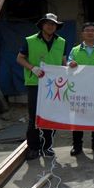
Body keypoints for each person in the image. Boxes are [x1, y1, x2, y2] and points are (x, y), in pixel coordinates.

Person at [16, 13, 67, 160]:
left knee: (51, 116)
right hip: (35, 84)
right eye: (48, 23)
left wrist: (69, 68)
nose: (51, 26)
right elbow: (19, 58)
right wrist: (32, 68)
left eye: (53, 24)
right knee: (34, 117)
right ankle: (33, 147)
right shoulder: (30, 40)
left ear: (56, 26)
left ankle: (47, 146)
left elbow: (63, 61)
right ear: (42, 25)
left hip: (55, 86)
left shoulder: (61, 42)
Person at [68, 23, 94, 156]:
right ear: (82, 33)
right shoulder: (75, 50)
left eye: (92, 30)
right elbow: (68, 64)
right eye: (87, 30)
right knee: (78, 118)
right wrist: (71, 64)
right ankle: (77, 146)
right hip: (80, 89)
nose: (90, 33)